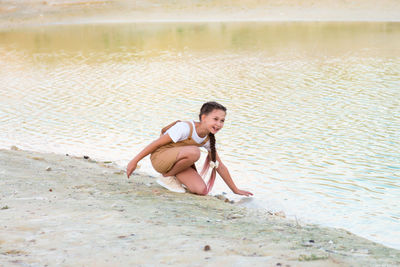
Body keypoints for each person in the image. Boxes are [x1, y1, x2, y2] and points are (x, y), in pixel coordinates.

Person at [126, 101, 253, 197]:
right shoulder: (185, 127)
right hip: (160, 158)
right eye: (215, 119)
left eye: (222, 121)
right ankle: (167, 177)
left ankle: (172, 177)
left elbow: (219, 165)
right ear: (203, 117)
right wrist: (134, 161)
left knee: (201, 190)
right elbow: (156, 144)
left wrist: (235, 190)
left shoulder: (209, 139)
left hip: (178, 162)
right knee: (194, 152)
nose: (219, 124)